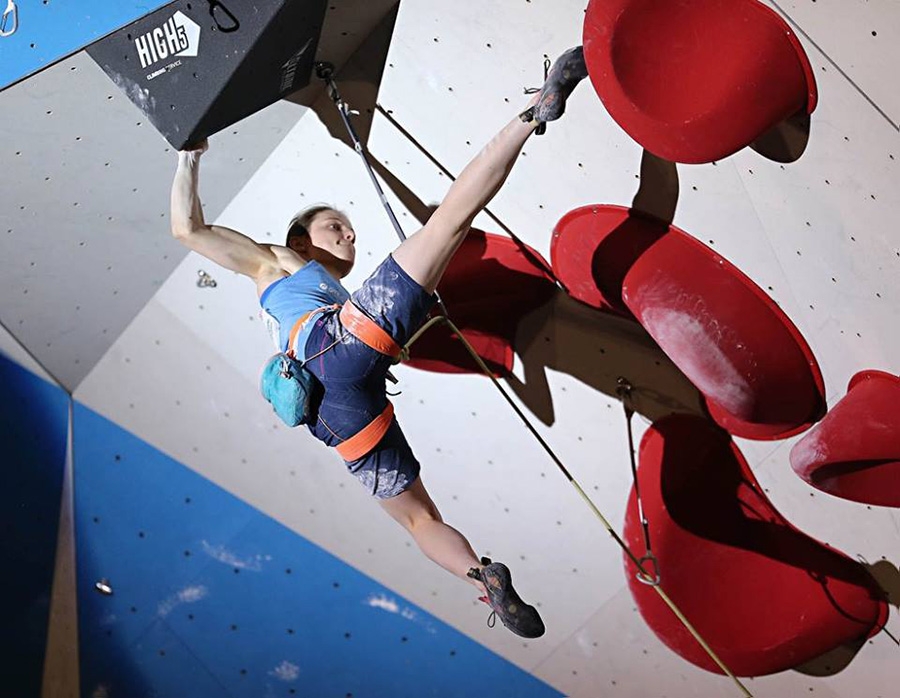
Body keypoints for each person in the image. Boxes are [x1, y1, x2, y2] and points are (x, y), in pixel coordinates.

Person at [170, 48, 588, 638]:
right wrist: (189, 157)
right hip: (341, 348)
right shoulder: (275, 261)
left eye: (349, 228)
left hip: (336, 416)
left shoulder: (318, 293)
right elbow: (188, 229)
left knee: (419, 520)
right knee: (449, 221)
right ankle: (534, 113)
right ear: (299, 238)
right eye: (333, 225)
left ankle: (480, 575)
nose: (348, 232)